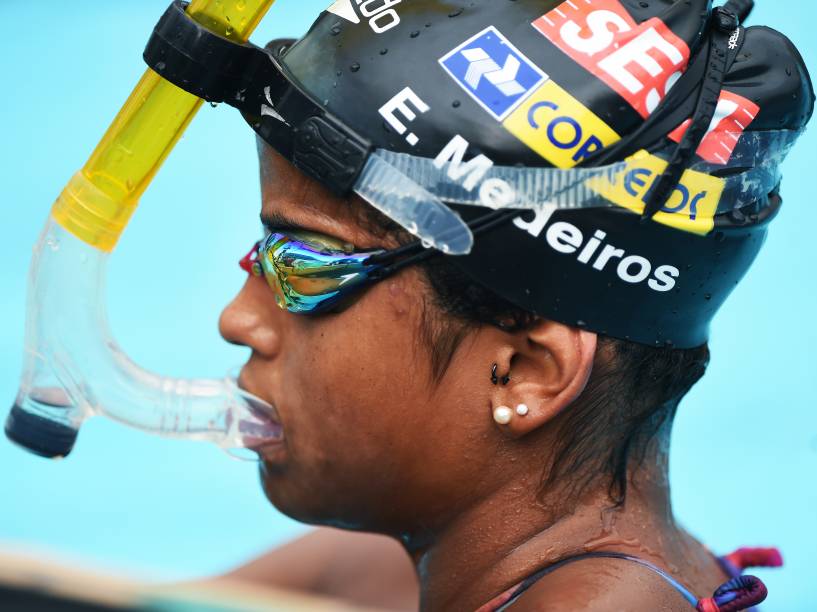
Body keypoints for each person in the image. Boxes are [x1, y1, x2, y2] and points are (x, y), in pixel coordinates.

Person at [171, 0, 813, 609]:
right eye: (264, 254)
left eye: (304, 265)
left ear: (525, 369)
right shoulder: (399, 568)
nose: (239, 319)